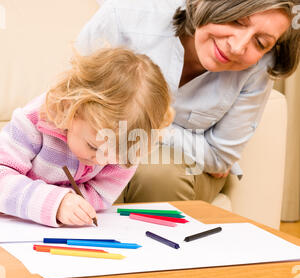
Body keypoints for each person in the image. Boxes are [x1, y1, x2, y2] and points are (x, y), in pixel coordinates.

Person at [76, 0, 300, 204]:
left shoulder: (259, 67)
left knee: (160, 173)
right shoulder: (125, 17)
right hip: (99, 149)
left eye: (260, 42)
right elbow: (76, 106)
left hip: (182, 171)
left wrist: (135, 125)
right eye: (237, 21)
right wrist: (190, 140)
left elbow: (219, 157)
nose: (238, 46)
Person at [0, 47, 173, 227]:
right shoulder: (33, 120)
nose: (104, 160)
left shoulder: (123, 148)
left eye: (119, 154)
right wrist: (55, 203)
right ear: (70, 109)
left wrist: (71, 206)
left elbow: (101, 195)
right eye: (94, 147)